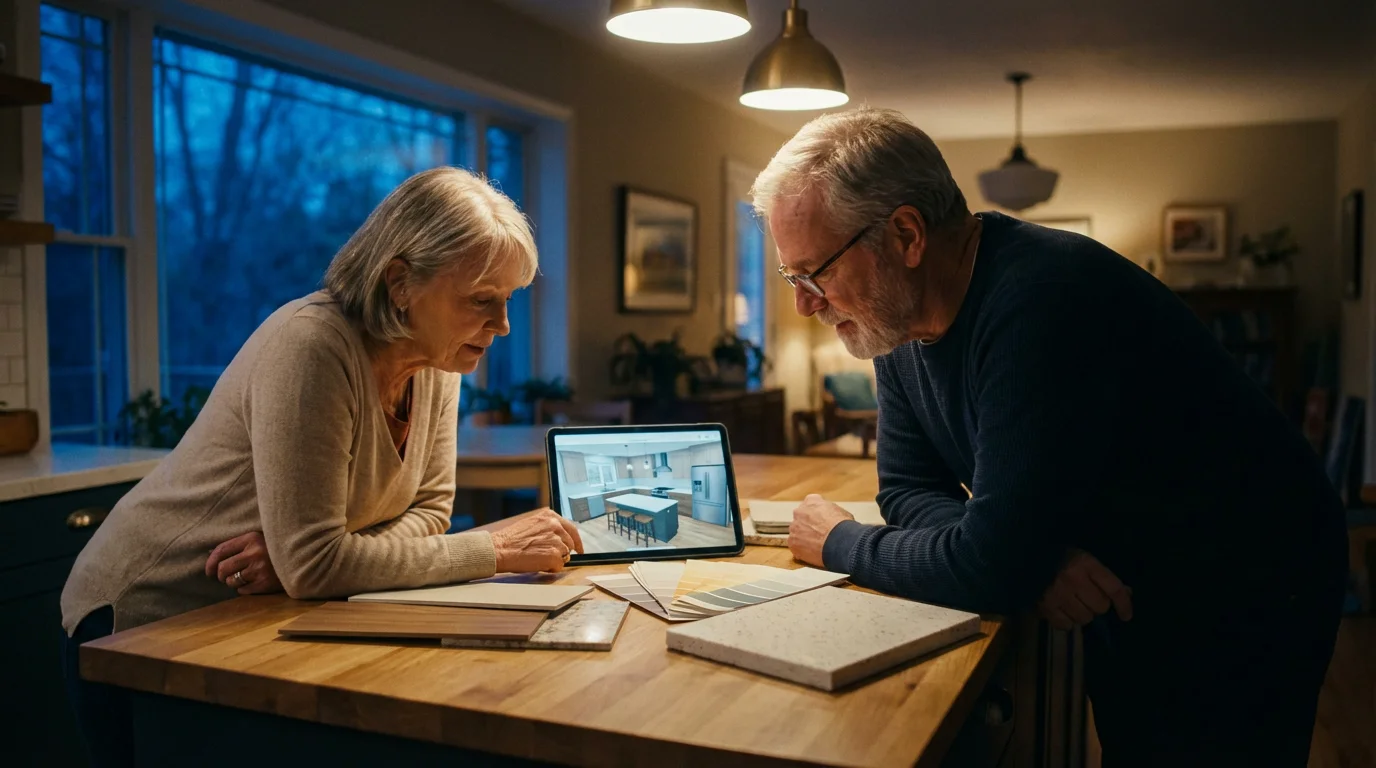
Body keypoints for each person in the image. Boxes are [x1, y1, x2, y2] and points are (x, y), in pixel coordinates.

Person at [756, 108, 1347, 766]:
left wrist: (839, 541)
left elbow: (987, 564)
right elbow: (907, 488)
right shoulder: (895, 323)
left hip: (1246, 570)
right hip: (1121, 571)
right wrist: (1027, 555)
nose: (805, 302)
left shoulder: (1040, 298)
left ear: (906, 235)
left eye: (816, 272)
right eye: (792, 278)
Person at [60, 167, 583, 766]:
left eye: (509, 299)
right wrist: (492, 549)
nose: (502, 325)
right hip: (149, 614)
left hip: (256, 612)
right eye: (481, 300)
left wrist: (313, 558)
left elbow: (430, 512)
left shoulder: (439, 361)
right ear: (401, 284)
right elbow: (316, 564)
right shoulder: (313, 344)